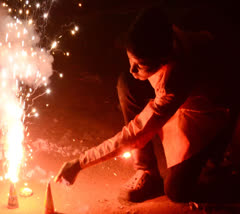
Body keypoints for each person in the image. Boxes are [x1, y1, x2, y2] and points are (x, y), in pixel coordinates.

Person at [54, 7, 238, 203]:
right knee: (126, 83)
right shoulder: (162, 37)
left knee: (177, 191)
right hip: (173, 98)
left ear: (164, 59)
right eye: (130, 59)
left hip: (203, 112)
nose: (133, 69)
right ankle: (147, 171)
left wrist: (79, 163)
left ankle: (218, 157)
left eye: (140, 64)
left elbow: (135, 133)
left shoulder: (176, 80)